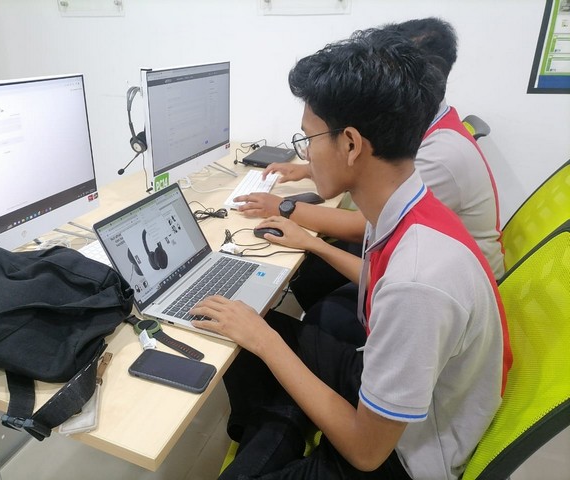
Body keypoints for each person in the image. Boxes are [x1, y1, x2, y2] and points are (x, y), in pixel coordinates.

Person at [191, 28, 512, 479]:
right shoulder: (408, 204)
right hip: (385, 388)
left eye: (309, 138)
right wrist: (310, 247)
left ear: (351, 144)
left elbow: (366, 453)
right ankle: (276, 434)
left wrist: (264, 342)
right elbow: (382, 282)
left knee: (260, 336)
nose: (306, 154)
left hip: (400, 458)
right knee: (249, 322)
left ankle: (275, 440)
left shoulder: (419, 282)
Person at [235, 18, 504, 320]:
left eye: (310, 139)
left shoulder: (440, 158)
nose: (307, 151)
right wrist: (311, 171)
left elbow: (365, 233)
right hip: (411, 280)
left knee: (299, 297)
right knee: (309, 275)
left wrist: (284, 209)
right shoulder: (412, 149)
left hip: (442, 303)